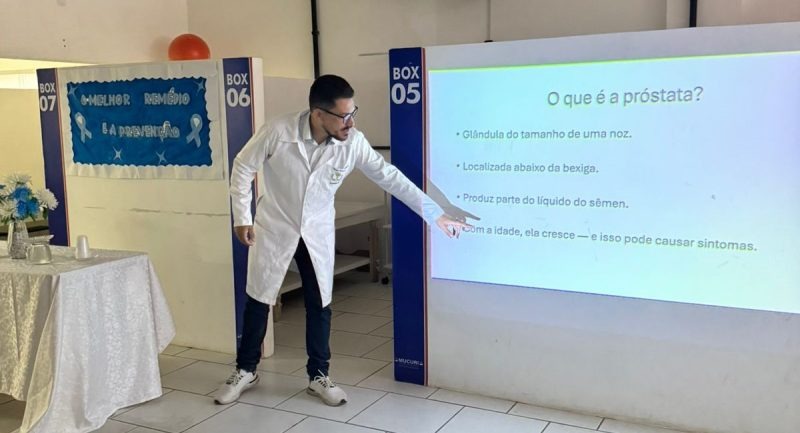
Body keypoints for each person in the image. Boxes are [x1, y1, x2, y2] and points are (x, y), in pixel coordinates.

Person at [214, 75, 470, 406]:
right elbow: (243, 166)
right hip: (275, 226)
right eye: (343, 116)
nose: (351, 123)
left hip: (317, 231)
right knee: (259, 297)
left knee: (319, 303)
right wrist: (242, 217)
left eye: (353, 113)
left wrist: (435, 214)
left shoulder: (353, 142)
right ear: (318, 114)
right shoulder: (278, 131)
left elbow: (390, 177)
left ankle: (318, 375)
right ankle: (246, 370)